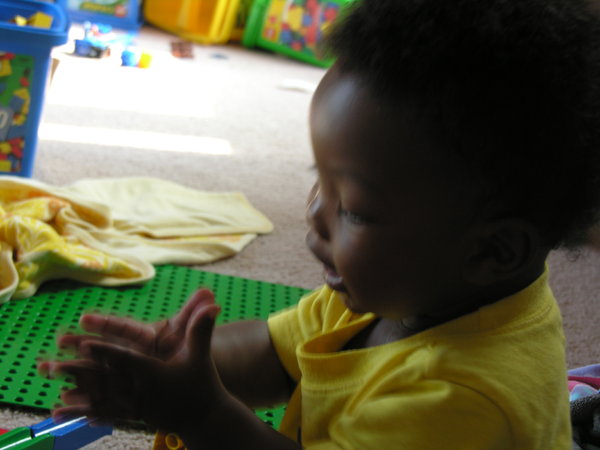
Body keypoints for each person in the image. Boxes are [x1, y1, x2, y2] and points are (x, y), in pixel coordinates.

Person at [39, 0, 600, 448]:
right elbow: (273, 352)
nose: (312, 213)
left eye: (352, 206)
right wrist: (180, 364)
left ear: (492, 251)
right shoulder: (400, 287)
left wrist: (203, 415)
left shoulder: (463, 403)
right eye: (320, 180)